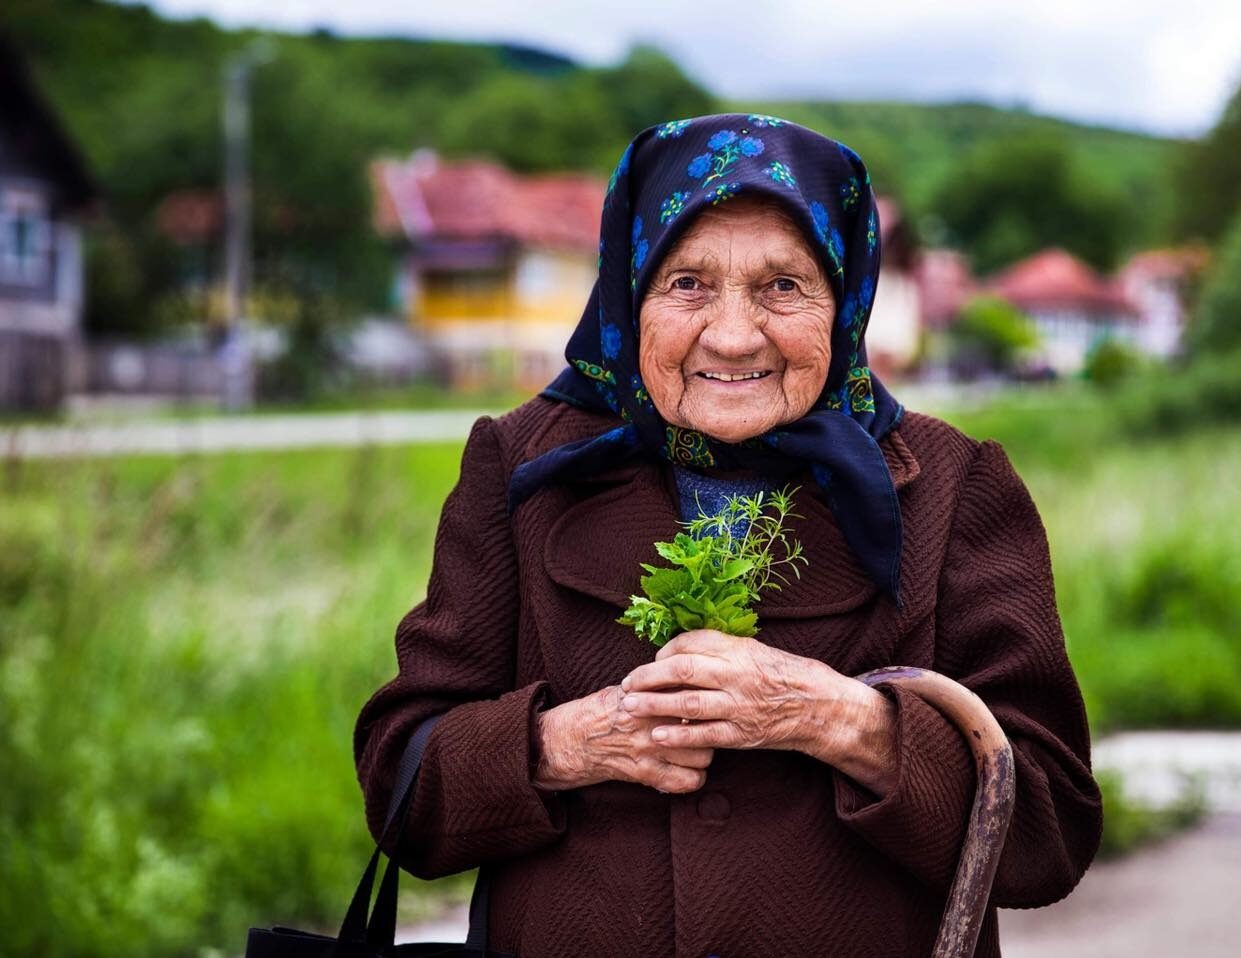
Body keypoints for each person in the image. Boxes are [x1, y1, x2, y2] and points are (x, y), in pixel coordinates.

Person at [354, 112, 1102, 958]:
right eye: (687, 284)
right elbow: (400, 786)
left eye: (784, 285)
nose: (735, 333)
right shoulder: (521, 466)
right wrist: (564, 744)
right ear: (627, 291)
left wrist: (838, 720)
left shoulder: (954, 485)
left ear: (846, 296)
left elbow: (1049, 828)